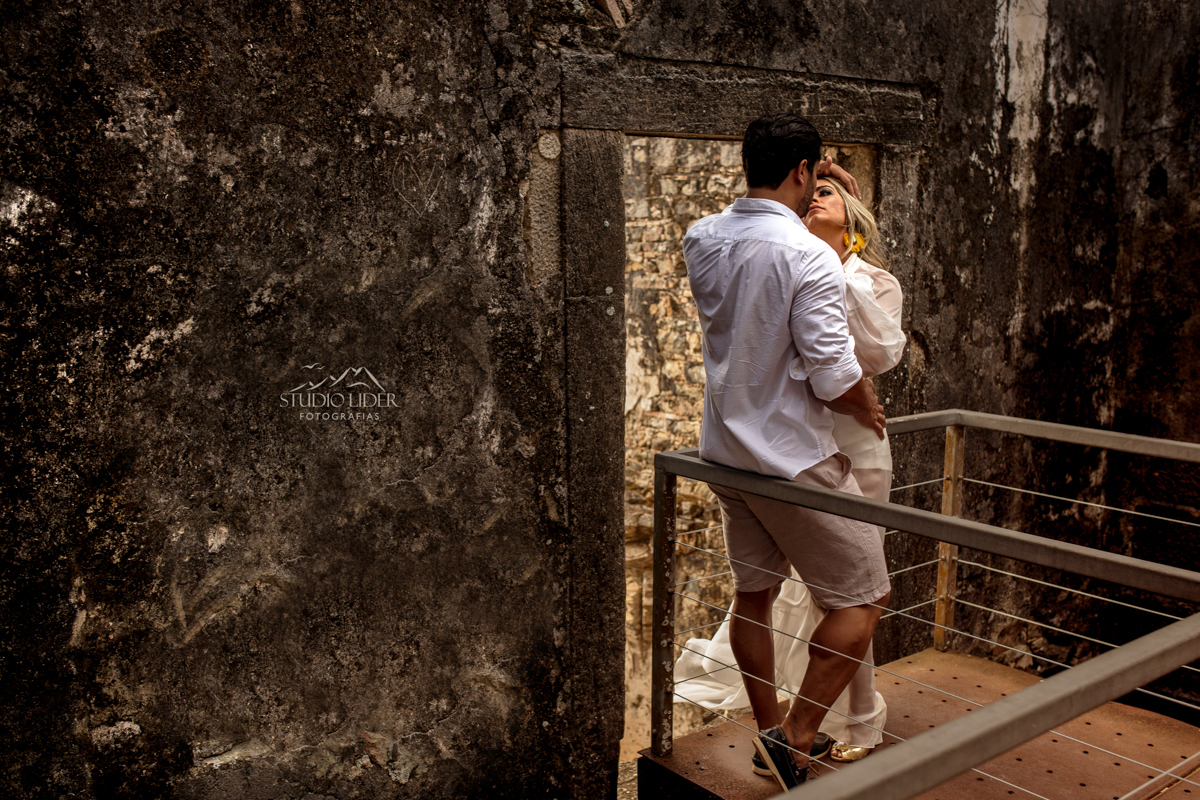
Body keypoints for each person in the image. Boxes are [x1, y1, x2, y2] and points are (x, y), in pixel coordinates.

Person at [681, 112, 892, 791]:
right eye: (813, 178)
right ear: (803, 172)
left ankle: (771, 726)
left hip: (727, 453)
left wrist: (815, 186)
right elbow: (834, 376)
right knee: (864, 596)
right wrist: (868, 406)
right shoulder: (807, 256)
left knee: (754, 597)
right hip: (790, 459)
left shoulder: (702, 237)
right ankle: (797, 738)